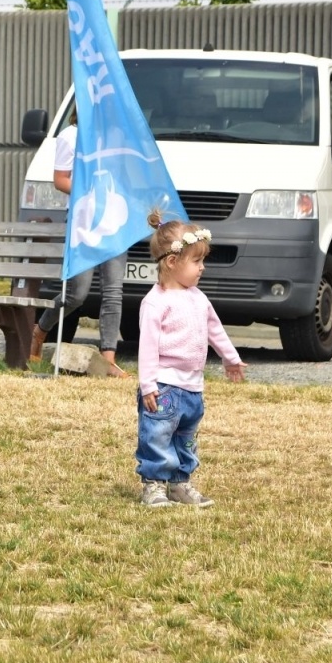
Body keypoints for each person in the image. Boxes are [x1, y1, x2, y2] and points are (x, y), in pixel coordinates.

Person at [136, 209, 245, 508]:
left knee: (185, 438)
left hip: (192, 387)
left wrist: (230, 358)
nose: (202, 268)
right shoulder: (156, 303)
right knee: (157, 436)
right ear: (172, 262)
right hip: (165, 386)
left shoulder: (199, 298)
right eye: (196, 261)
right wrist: (148, 384)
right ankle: (154, 485)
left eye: (202, 261)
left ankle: (180, 483)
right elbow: (147, 346)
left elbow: (214, 329)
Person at [29, 113, 128, 376]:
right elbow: (60, 179)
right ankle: (40, 330)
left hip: (114, 220)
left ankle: (108, 359)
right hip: (84, 223)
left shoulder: (117, 134)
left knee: (113, 292)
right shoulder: (70, 136)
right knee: (77, 294)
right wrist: (89, 191)